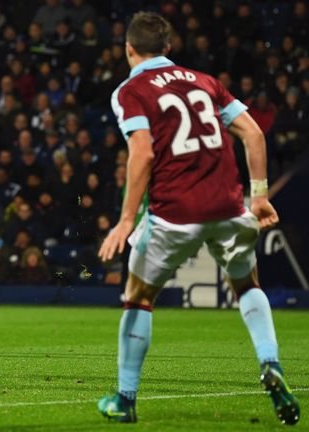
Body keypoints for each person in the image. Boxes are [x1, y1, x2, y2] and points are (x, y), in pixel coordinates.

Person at [97, 12, 299, 425]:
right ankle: (270, 362)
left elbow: (142, 153)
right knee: (246, 284)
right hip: (229, 208)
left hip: (173, 215)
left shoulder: (129, 91)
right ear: (169, 49)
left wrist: (124, 220)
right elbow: (254, 133)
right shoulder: (205, 81)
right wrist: (258, 197)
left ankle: (125, 398)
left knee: (138, 298)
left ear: (129, 49)